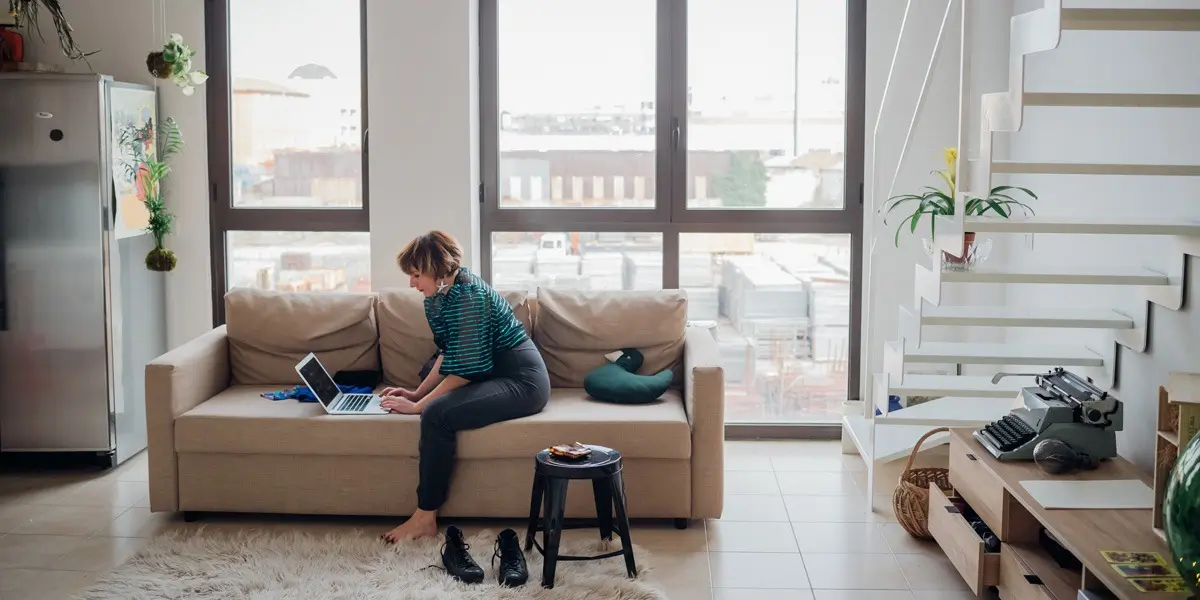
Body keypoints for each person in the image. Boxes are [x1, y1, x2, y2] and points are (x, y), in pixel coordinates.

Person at [380, 231, 551, 542]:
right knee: (427, 382)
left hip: (522, 381)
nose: (411, 283)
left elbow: (466, 369)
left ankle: (424, 518)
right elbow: (449, 352)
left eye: (417, 275)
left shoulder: (468, 297)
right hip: (492, 372)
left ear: (437, 269)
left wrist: (420, 406)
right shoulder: (443, 293)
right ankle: (424, 516)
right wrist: (416, 393)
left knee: (436, 414)